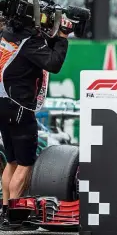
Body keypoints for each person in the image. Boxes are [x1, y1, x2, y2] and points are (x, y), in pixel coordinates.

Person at [0, 15, 71, 231]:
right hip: (19, 107)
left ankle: (5, 213)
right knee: (25, 163)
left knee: (11, 161)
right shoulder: (28, 42)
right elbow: (53, 63)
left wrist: (45, 37)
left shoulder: (7, 36)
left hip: (4, 103)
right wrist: (62, 37)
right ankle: (16, 216)